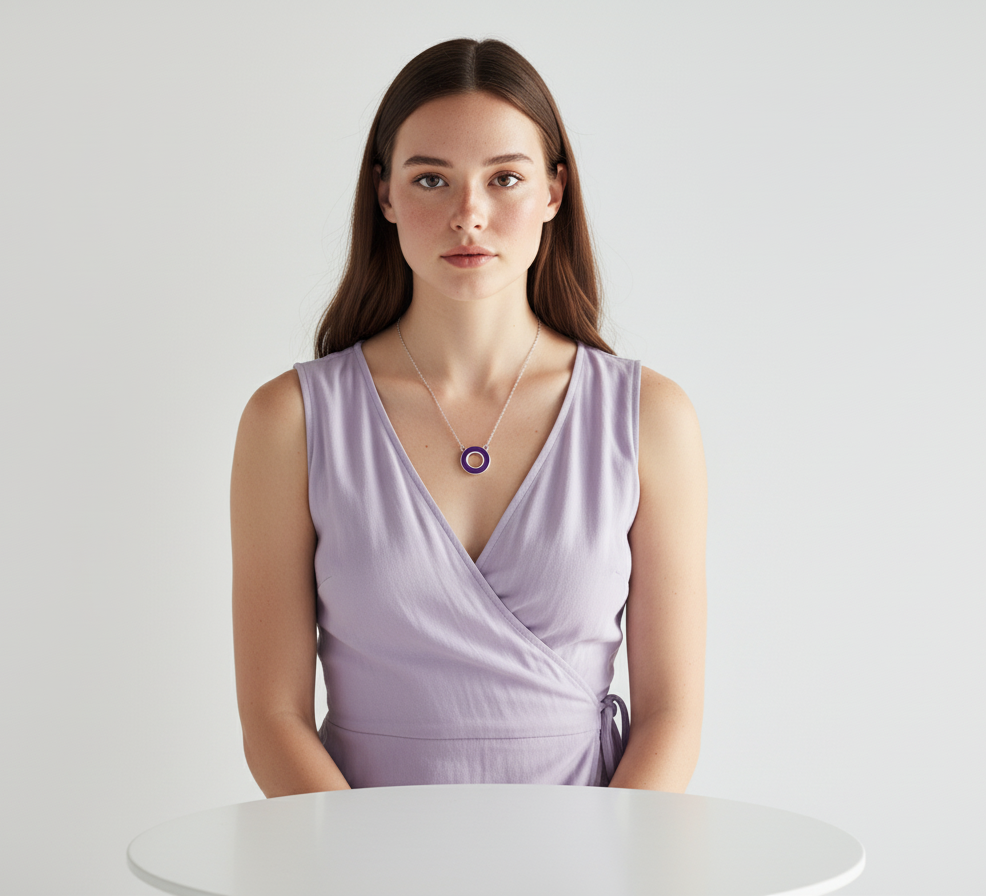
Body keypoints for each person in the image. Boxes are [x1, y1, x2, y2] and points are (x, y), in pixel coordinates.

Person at [230, 37, 707, 796]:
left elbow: (671, 716)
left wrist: (611, 871)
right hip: (360, 867)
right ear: (385, 195)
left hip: (591, 863)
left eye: (505, 178)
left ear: (554, 192)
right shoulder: (288, 421)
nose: (468, 215)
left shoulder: (650, 416)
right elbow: (270, 717)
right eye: (431, 179)